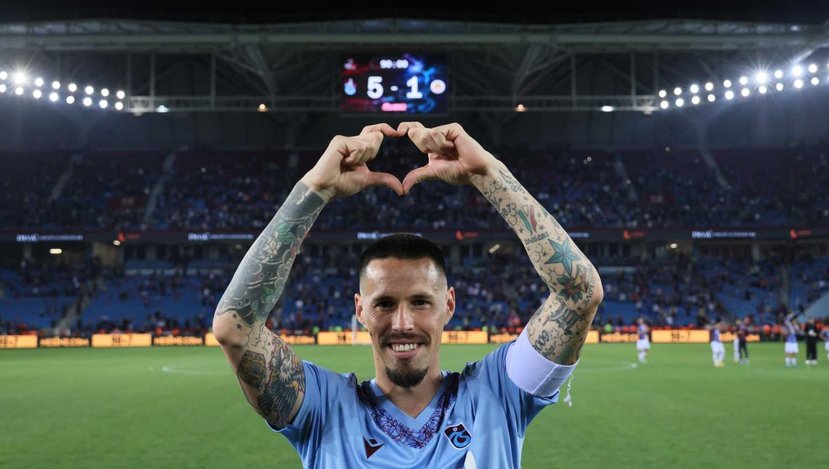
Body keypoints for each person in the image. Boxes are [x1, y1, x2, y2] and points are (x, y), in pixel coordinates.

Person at [212, 122, 604, 468]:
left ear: (448, 305)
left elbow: (579, 294)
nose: (402, 323)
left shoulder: (497, 393)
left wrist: (487, 173)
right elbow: (234, 328)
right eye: (384, 303)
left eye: (420, 302)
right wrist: (315, 189)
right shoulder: (323, 408)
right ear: (360, 309)